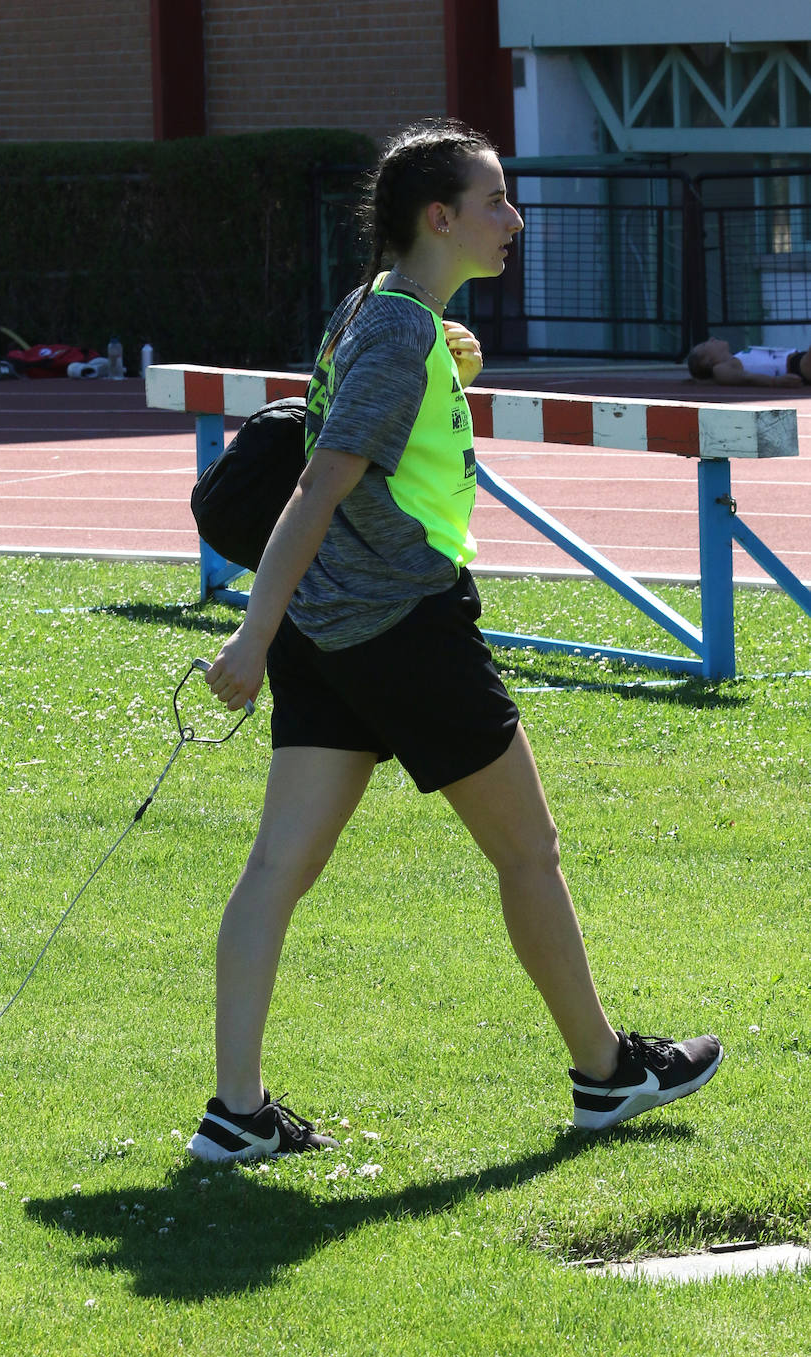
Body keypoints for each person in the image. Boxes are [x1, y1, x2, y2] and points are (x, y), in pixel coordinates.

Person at [186, 119, 724, 1164]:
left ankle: (234, 1113)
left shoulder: (375, 313)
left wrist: (443, 355)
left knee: (275, 868)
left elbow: (370, 431)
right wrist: (247, 639)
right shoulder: (394, 333)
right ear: (439, 218)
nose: (513, 220)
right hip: (401, 629)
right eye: (494, 202)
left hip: (329, 629)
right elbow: (315, 486)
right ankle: (606, 1076)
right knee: (527, 851)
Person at [686, 336, 811, 387]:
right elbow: (747, 378)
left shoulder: (737, 356)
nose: (711, 339)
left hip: (799, 359)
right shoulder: (720, 369)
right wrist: (775, 381)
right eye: (704, 345)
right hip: (798, 367)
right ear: (707, 362)